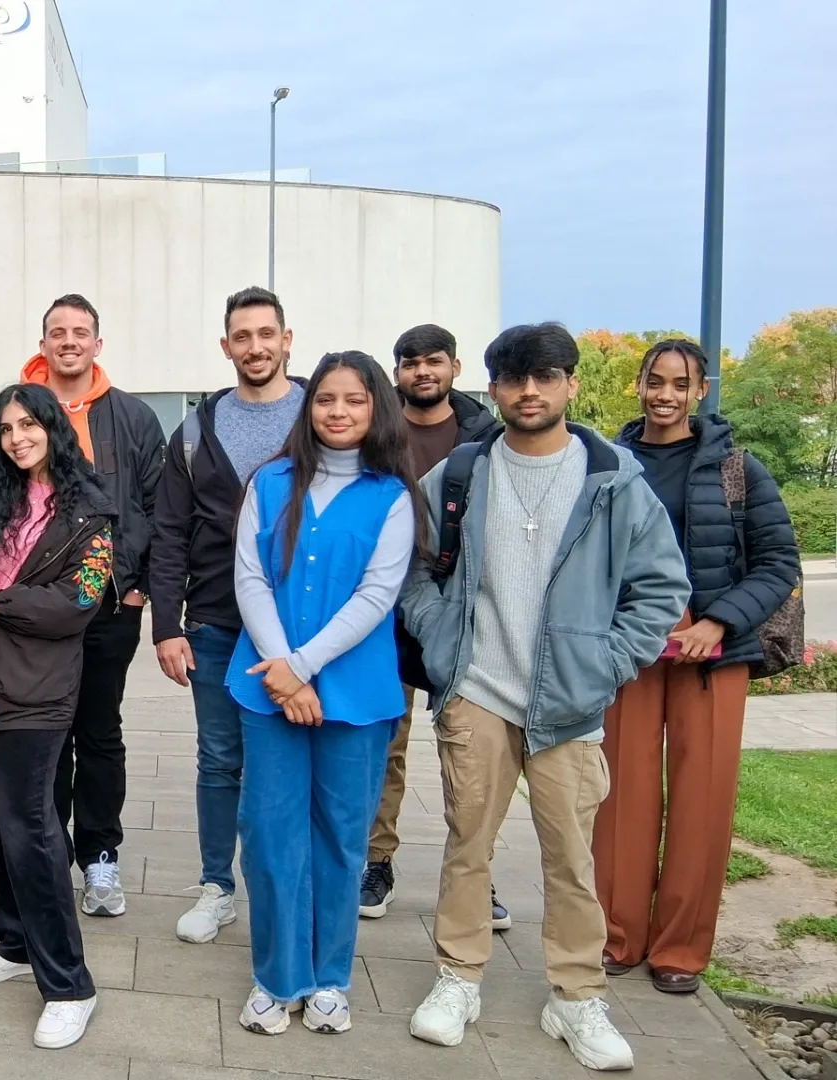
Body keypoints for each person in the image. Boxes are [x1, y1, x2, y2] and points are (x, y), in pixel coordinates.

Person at [400, 323, 688, 1072]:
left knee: (571, 857)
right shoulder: (460, 474)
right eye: (514, 378)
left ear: (571, 384)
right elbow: (415, 570)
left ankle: (576, 996)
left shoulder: (614, 480)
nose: (530, 392)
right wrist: (442, 641)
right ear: (494, 388)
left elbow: (662, 588)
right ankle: (459, 978)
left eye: (546, 377)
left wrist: (606, 664)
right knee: (468, 846)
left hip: (570, 700)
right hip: (478, 690)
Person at [597, 338, 800, 994]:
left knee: (701, 801)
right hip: (632, 650)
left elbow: (778, 563)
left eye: (680, 384)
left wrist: (718, 622)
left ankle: (681, 949)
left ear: (701, 390)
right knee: (620, 796)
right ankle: (617, 936)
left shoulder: (739, 468)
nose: (666, 394)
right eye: (655, 381)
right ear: (638, 384)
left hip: (714, 653)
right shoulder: (608, 462)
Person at [228, 353, 419, 1036]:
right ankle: (278, 978)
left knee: (341, 838)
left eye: (355, 400)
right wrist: (283, 668)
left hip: (356, 694)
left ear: (376, 409)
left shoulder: (393, 496)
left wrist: (303, 665)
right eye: (325, 399)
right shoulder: (271, 481)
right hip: (268, 686)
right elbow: (250, 577)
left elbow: (377, 594)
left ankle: (331, 978)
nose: (338, 411)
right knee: (270, 834)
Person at [0, 384, 114, 1050]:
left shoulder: (89, 510)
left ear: (53, 428)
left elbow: (79, 601)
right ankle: (15, 942)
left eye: (30, 424)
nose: (18, 437)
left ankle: (70, 985)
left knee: (31, 829)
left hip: (38, 691)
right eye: (6, 427)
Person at [148, 286, 305, 945]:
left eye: (266, 334)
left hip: (301, 626)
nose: (255, 347)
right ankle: (217, 887)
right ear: (226, 347)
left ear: (287, 340)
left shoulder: (319, 416)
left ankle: (287, 886)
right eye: (242, 337)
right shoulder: (195, 431)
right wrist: (166, 625)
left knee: (289, 762)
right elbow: (168, 531)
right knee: (218, 759)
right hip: (215, 621)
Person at [17, 294, 163, 918]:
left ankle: (100, 856)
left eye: (81, 332)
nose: (69, 341)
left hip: (110, 606)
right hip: (36, 608)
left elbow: (156, 508)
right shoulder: (17, 412)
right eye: (58, 332)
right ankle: (47, 851)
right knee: (44, 732)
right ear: (43, 343)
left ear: (97, 344)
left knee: (99, 732)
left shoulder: (132, 417)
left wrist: (135, 587)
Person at [360, 323, 509, 929]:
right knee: (384, 746)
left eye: (434, 361)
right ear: (397, 370)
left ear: (455, 367)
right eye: (410, 362)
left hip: (462, 613)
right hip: (385, 614)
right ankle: (377, 861)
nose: (423, 372)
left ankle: (476, 873)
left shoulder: (487, 436)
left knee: (471, 752)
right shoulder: (374, 432)